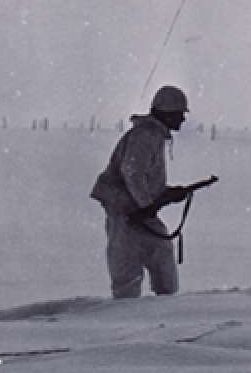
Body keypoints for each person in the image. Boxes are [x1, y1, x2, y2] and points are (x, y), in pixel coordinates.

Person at [88, 85, 206, 299]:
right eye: (180, 114)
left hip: (137, 210)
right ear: (167, 113)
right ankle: (125, 317)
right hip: (123, 211)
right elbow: (131, 172)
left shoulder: (154, 136)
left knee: (161, 255)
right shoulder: (145, 135)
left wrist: (168, 193)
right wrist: (147, 205)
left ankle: (165, 306)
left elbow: (143, 179)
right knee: (127, 270)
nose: (183, 120)